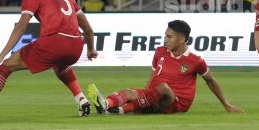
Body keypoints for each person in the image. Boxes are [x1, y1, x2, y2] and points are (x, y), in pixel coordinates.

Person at [87, 20, 243, 115]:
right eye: (165, 36)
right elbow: (153, 73)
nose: (165, 40)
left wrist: (226, 104)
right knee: (129, 92)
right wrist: (146, 94)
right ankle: (106, 105)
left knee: (163, 88)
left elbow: (210, 81)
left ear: (181, 39)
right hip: (155, 96)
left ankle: (123, 109)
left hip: (175, 102)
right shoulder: (160, 52)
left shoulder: (196, 61)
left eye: (169, 37)